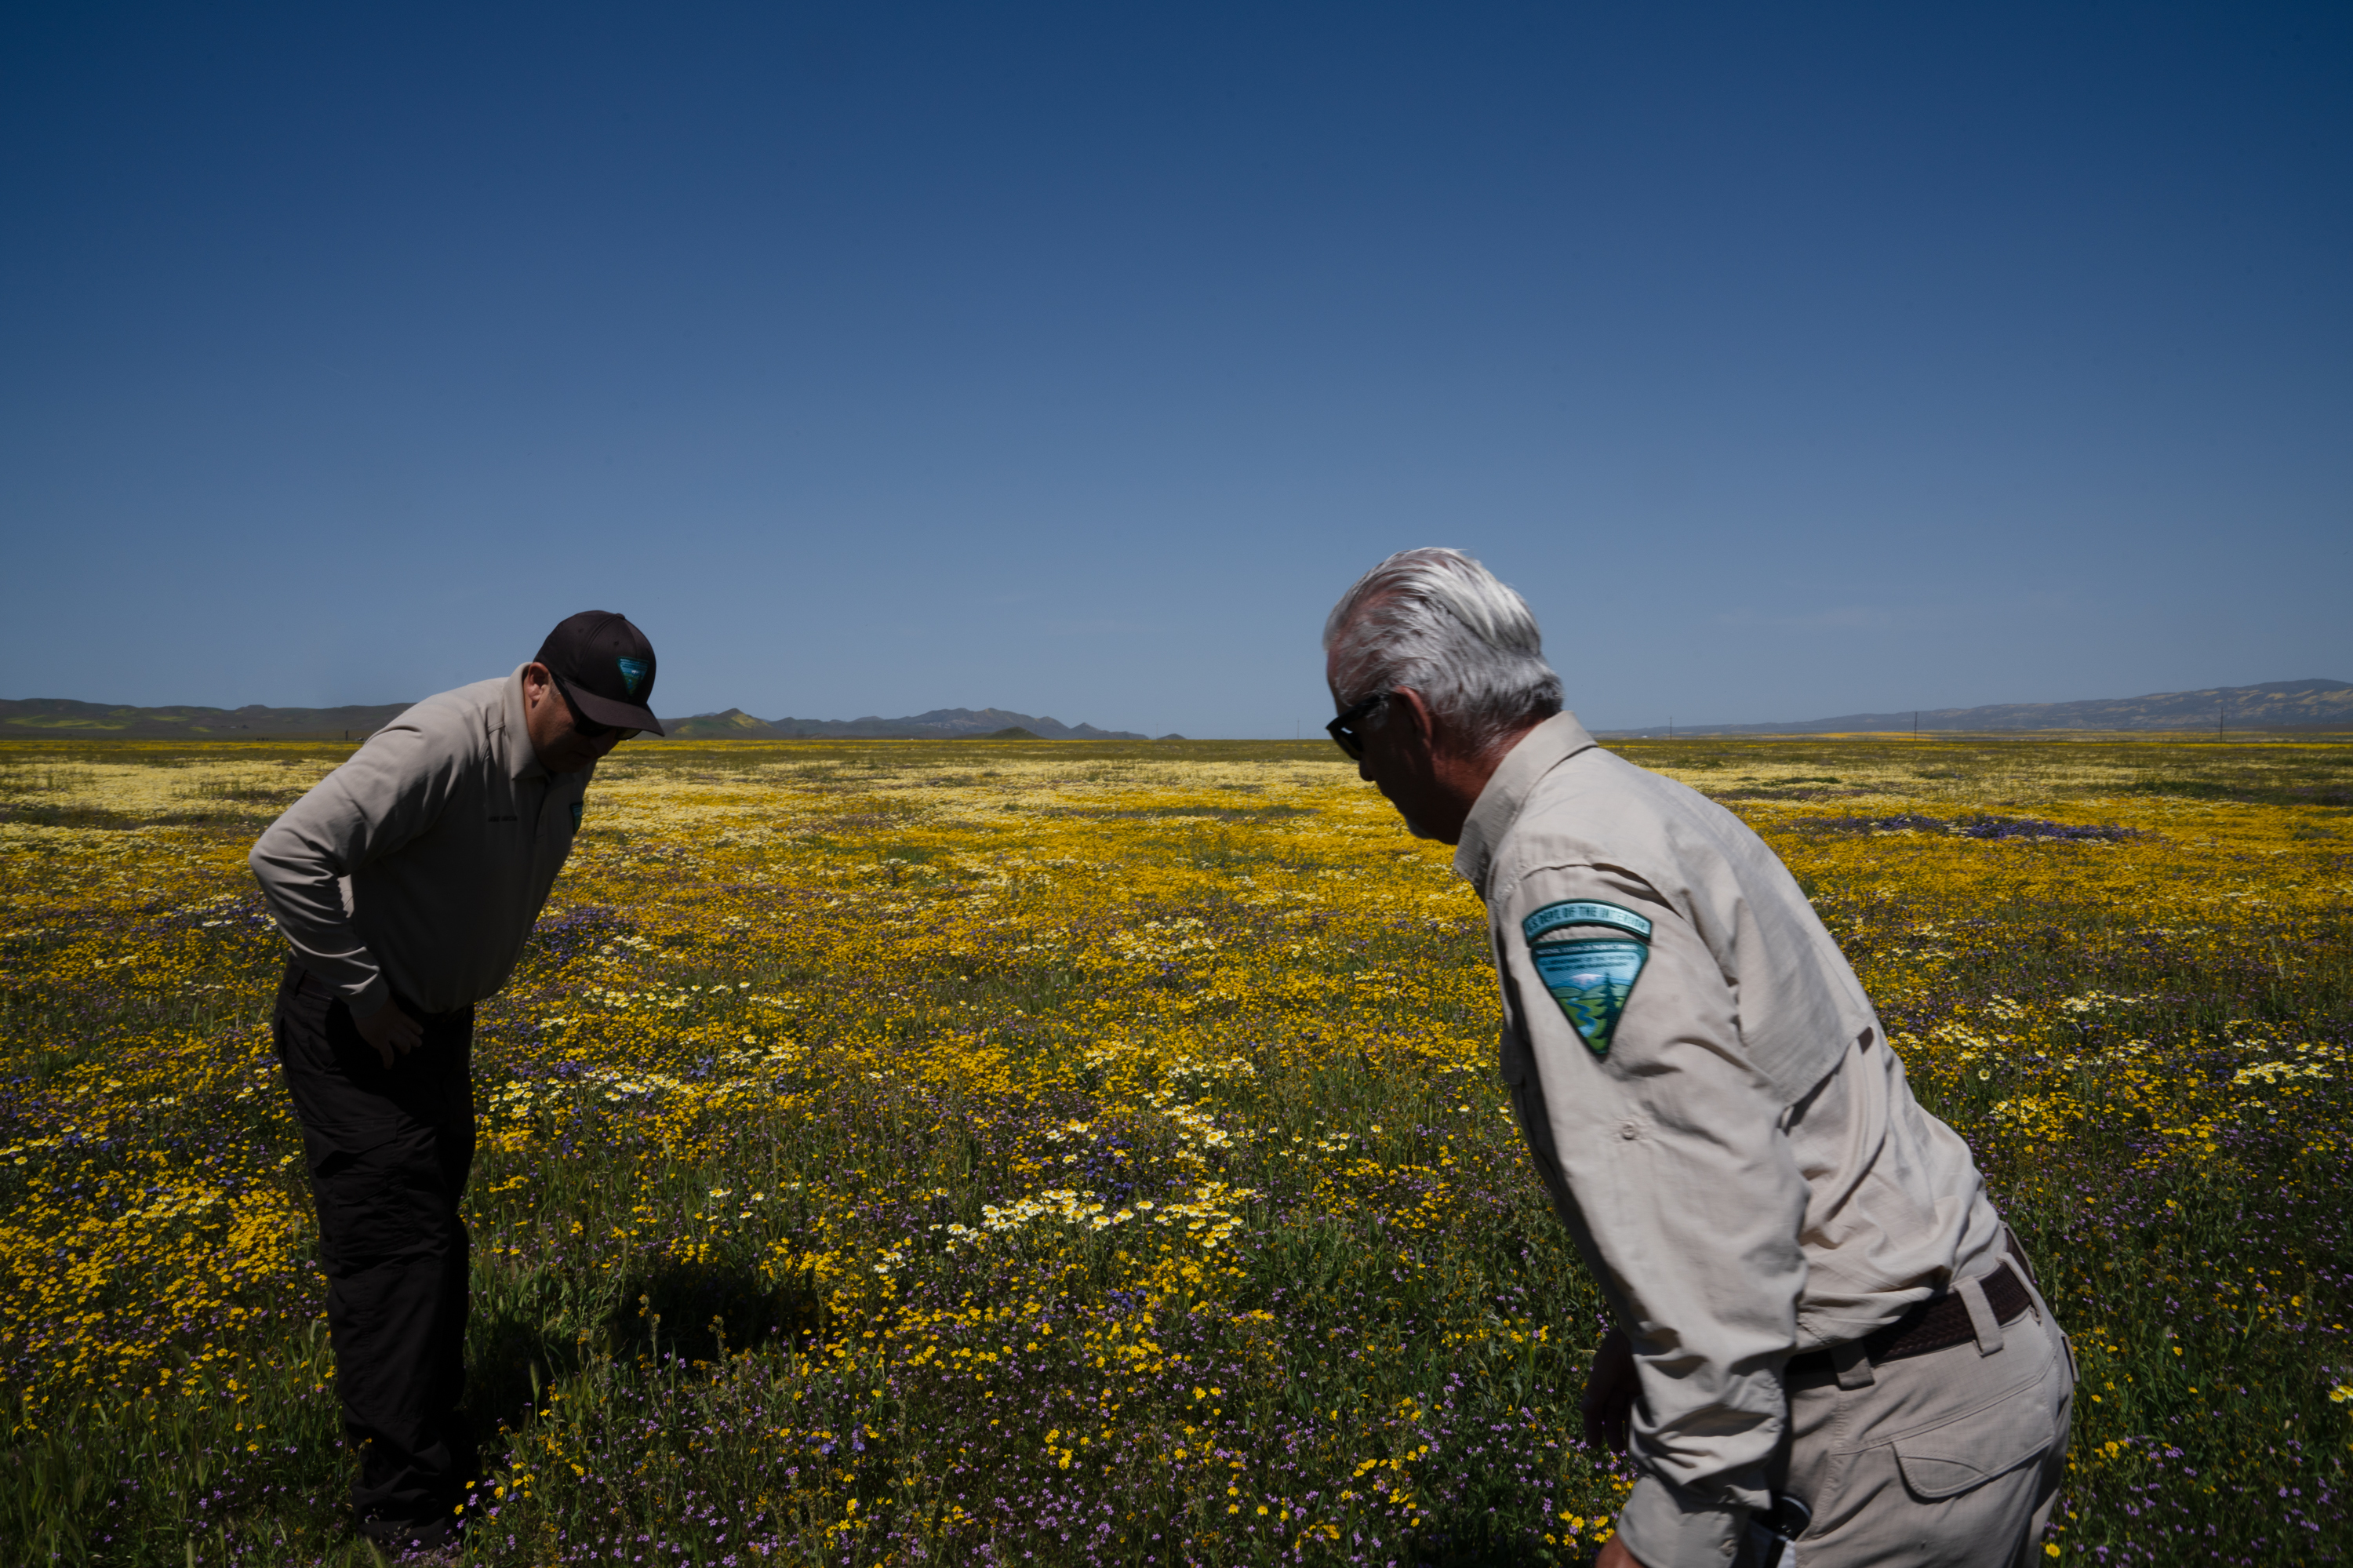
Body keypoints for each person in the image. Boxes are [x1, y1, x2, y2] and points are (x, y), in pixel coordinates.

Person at [1319, 550, 2072, 1568]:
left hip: (1879, 1430)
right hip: (1956, 1378)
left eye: (1349, 731)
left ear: (1411, 717)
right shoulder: (1639, 804)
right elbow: (1755, 1107)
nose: (1359, 769)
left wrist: (1678, 1516)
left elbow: (1710, 1188)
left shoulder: (1564, 870)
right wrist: (1638, 1335)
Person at [248, 611, 664, 1554]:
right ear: (535, 683)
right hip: (361, 1025)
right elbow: (285, 854)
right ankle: (405, 1504)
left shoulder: (571, 758)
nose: (599, 744)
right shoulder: (441, 741)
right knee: (399, 1252)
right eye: (588, 719)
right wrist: (366, 992)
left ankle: (424, 1434)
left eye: (619, 730)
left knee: (430, 1235)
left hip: (433, 1026)